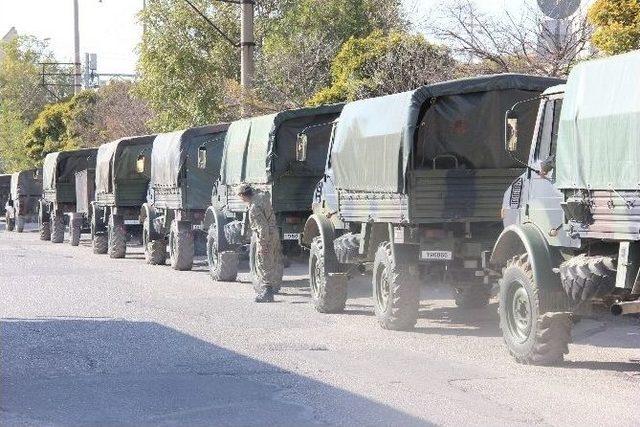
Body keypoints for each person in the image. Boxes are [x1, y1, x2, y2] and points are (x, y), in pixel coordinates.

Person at [237, 184, 283, 303]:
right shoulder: (262, 197)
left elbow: (262, 227)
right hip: (274, 234)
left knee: (264, 262)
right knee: (274, 261)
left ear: (243, 195)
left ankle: (267, 293)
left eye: (239, 196)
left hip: (266, 236)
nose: (240, 199)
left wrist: (263, 245)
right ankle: (273, 287)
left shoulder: (253, 208)